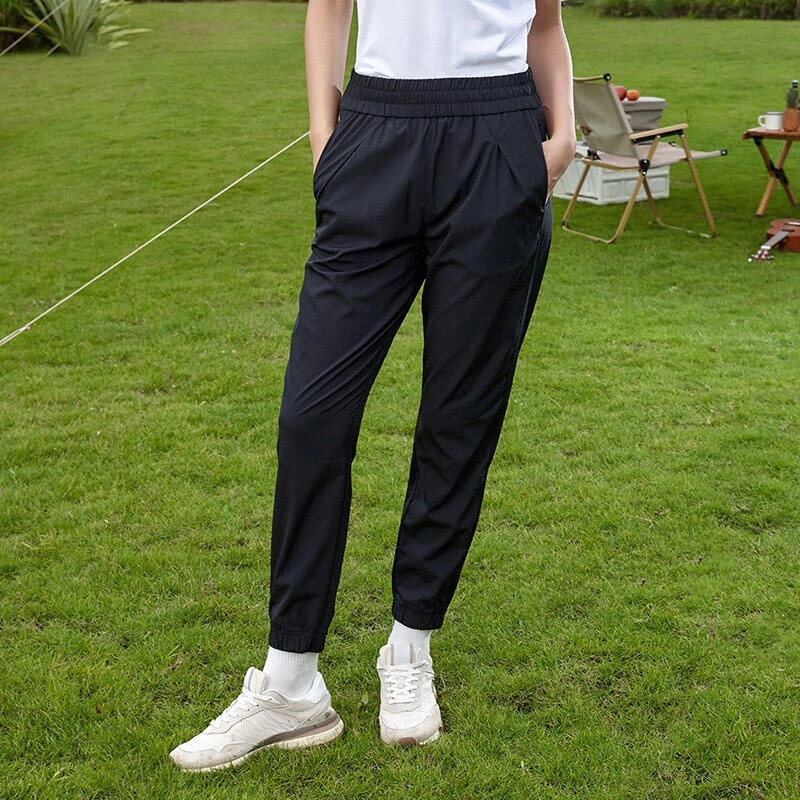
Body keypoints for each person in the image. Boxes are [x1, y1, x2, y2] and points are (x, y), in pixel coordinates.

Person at [169, 0, 575, 772]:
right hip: (374, 133)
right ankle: (291, 681)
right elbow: (328, 8)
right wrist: (324, 139)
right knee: (310, 417)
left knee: (459, 417)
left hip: (498, 139)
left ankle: (410, 647)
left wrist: (563, 139)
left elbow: (545, 25)